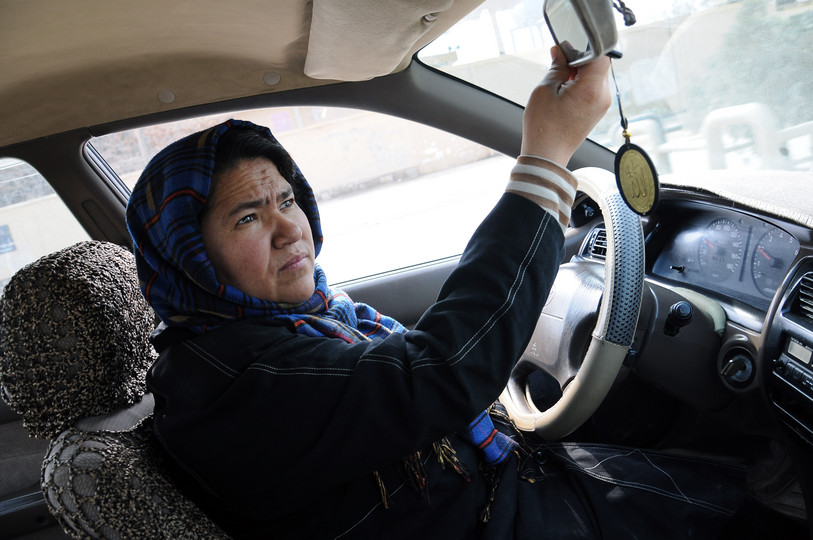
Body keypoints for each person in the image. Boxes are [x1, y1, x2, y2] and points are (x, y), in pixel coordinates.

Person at [126, 47, 745, 539]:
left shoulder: (270, 331)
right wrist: (546, 159)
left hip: (511, 492)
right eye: (248, 218)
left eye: (287, 200)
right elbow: (442, 372)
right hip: (504, 516)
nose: (292, 228)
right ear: (190, 256)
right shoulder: (231, 387)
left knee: (741, 485)